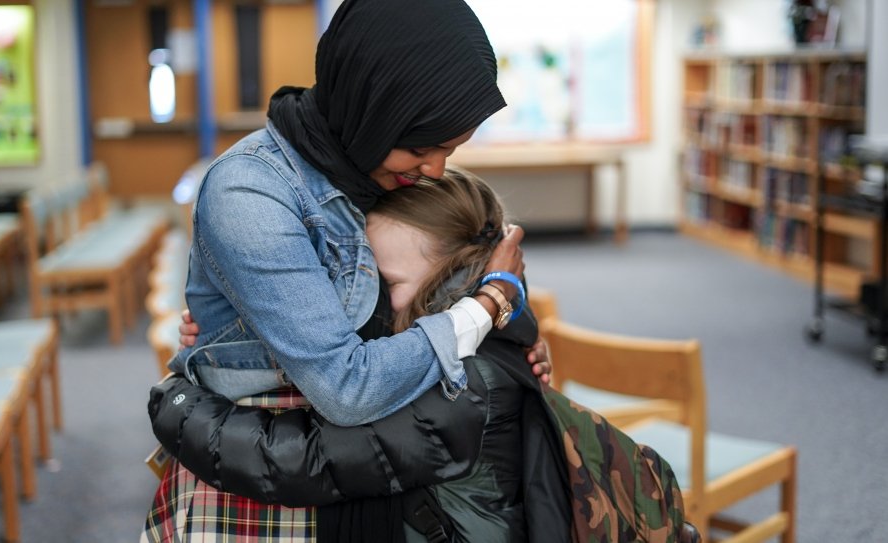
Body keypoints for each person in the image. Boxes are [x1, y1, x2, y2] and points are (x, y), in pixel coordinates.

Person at [143, 0, 549, 540]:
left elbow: (452, 270)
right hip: (266, 484)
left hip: (363, 482)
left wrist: (513, 344)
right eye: (422, 146)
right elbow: (346, 387)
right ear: (371, 105)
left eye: (449, 148)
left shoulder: (371, 169)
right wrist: (487, 307)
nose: (436, 169)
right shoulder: (251, 191)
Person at [146, 168, 700, 543]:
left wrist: (175, 401)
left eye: (386, 283)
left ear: (449, 282)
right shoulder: (467, 335)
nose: (367, 305)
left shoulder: (459, 388)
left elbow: (296, 460)